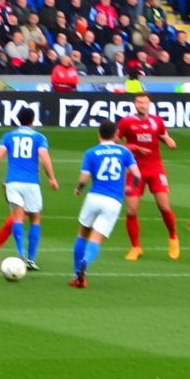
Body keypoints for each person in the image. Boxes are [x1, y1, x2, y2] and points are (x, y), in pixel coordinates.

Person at [0, 108, 58, 270]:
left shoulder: (8, 136)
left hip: (12, 182)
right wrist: (52, 178)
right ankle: (29, 258)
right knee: (35, 219)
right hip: (31, 183)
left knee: (17, 217)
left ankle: (17, 251)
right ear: (33, 120)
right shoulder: (39, 137)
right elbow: (44, 157)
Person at [70, 121, 140, 288]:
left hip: (94, 197)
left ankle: (76, 274)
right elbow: (137, 175)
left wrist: (79, 189)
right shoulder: (124, 151)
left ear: (99, 134)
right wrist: (131, 187)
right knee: (96, 238)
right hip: (113, 201)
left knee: (82, 234)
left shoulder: (91, 152)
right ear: (115, 134)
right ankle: (86, 261)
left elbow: (84, 178)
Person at [118, 91, 181, 261]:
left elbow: (162, 134)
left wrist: (168, 140)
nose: (142, 105)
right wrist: (135, 147)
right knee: (131, 210)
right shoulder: (126, 122)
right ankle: (135, 247)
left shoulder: (157, 121)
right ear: (135, 104)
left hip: (155, 169)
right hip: (134, 170)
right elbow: (115, 142)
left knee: (164, 206)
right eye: (139, 102)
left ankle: (173, 238)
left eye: (144, 102)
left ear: (149, 104)